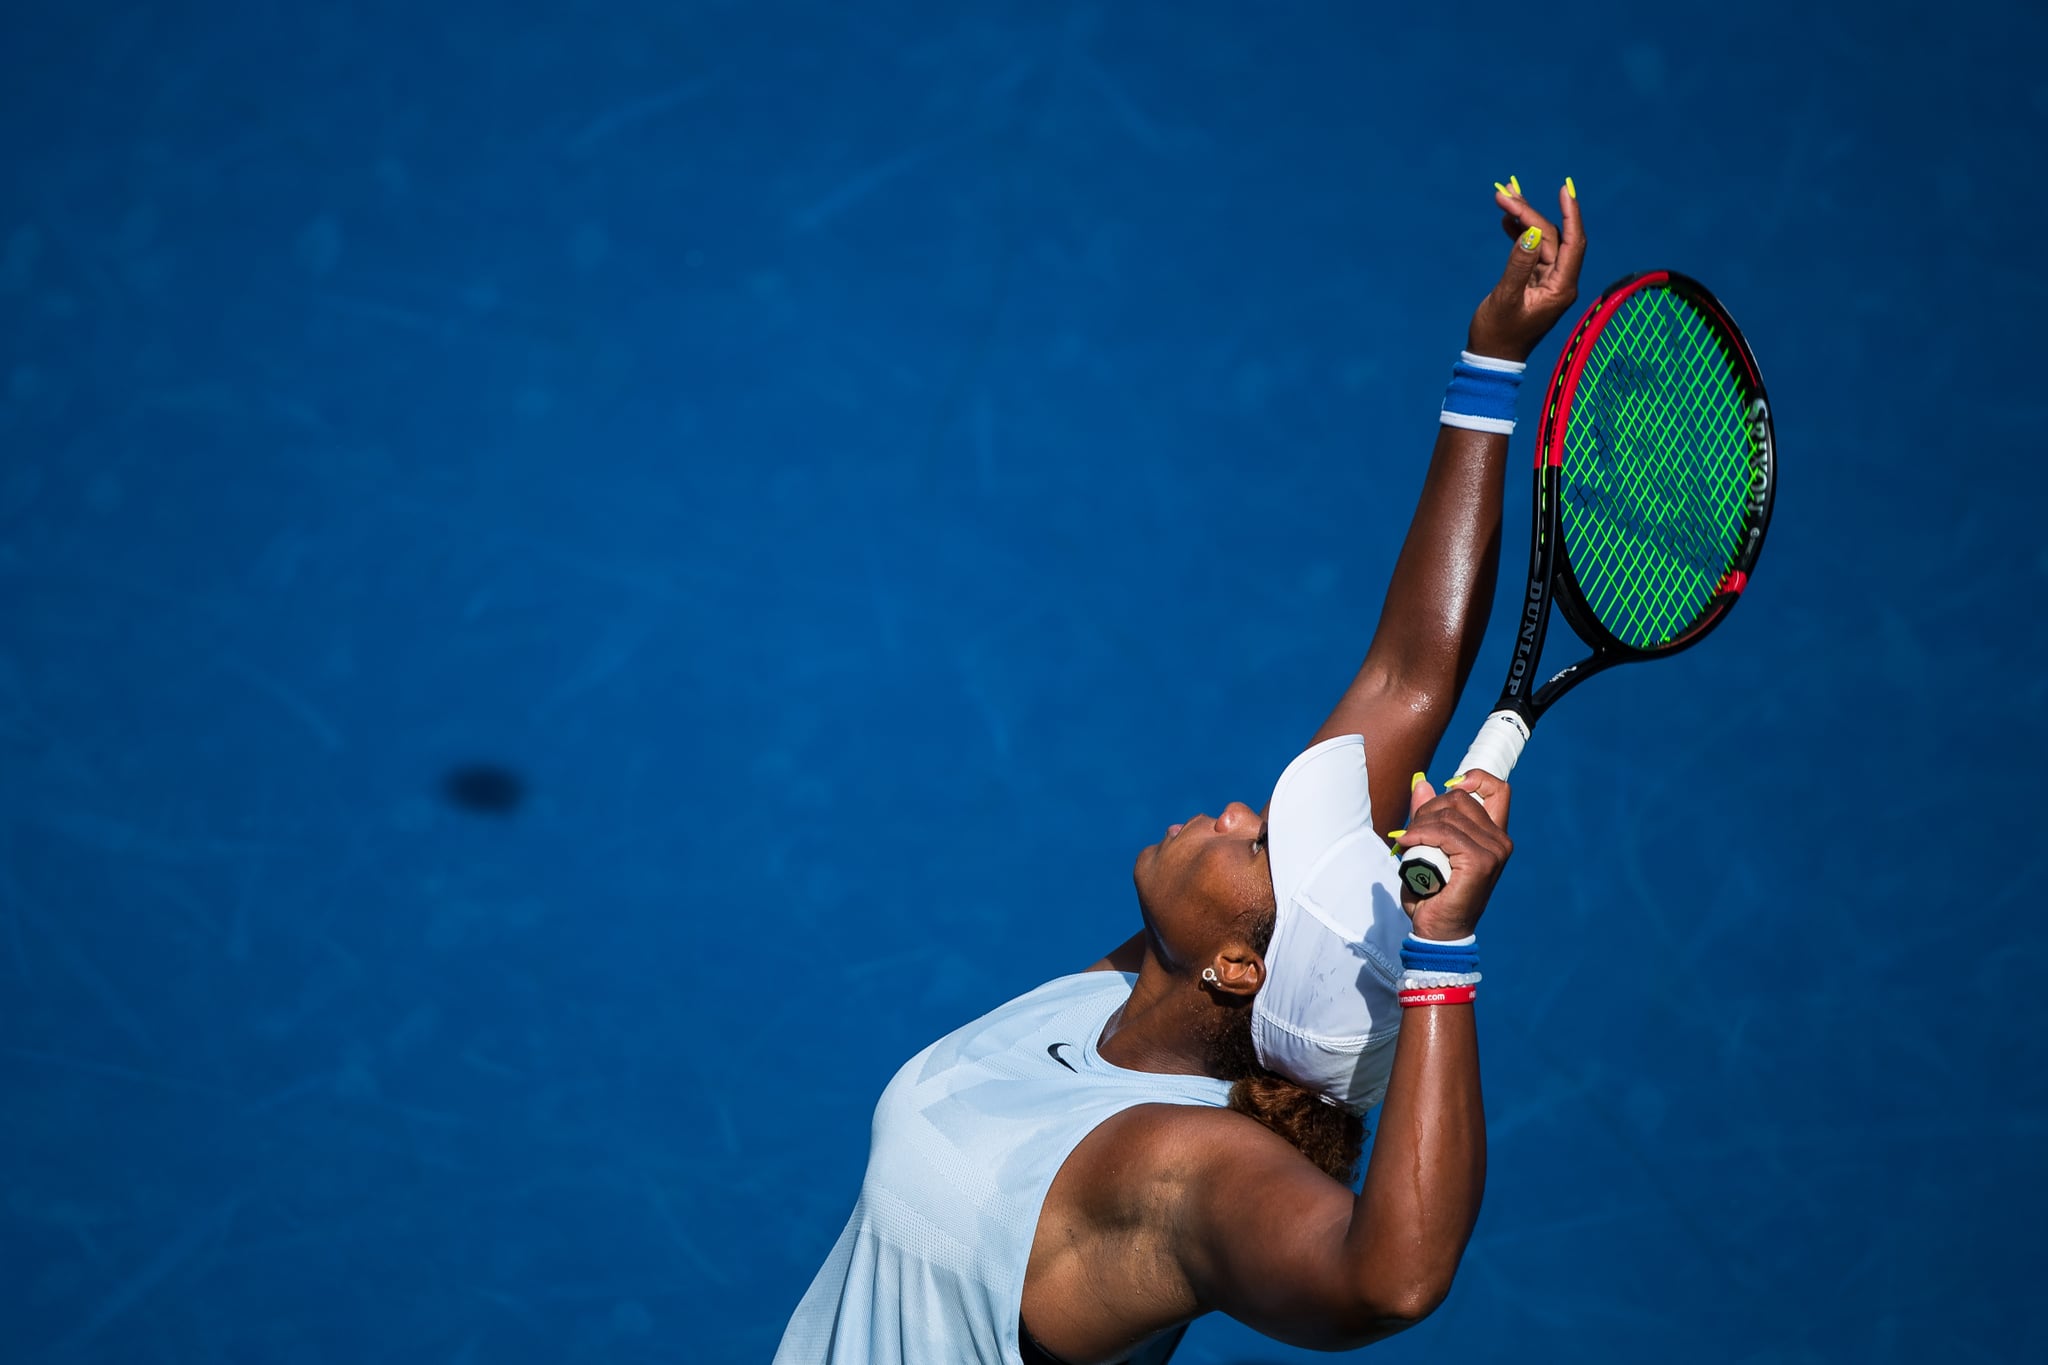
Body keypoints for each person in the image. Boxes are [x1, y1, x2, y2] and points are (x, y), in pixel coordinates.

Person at [776, 179, 1589, 1364]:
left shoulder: (1172, 1164)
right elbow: (1408, 682)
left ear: (1239, 963)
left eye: (1259, 847)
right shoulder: (1149, 1005)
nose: (1239, 808)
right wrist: (1491, 365)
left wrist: (1445, 957)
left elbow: (1391, 1283)